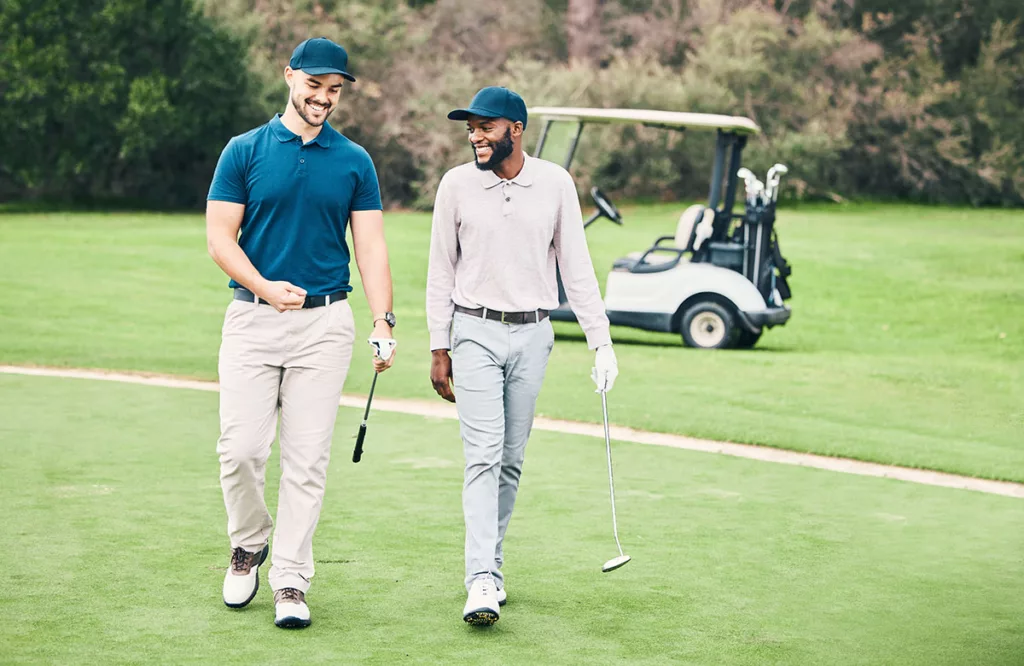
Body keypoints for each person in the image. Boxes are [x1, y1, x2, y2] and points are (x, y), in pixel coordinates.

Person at [206, 37, 397, 630]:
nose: (323, 98)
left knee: (307, 460)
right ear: (289, 76)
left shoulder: (354, 161)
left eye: (334, 89)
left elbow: (369, 246)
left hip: (325, 324)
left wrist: (382, 320)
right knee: (240, 452)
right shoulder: (244, 151)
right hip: (252, 319)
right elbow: (220, 239)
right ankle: (249, 544)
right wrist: (264, 286)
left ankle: (290, 576)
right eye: (315, 85)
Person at [425, 86, 618, 626]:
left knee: (510, 460)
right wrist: (439, 344)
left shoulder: (555, 183)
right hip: (474, 331)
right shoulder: (456, 185)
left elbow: (576, 269)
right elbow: (441, 269)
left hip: (534, 334)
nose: (475, 136)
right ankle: (480, 578)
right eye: (470, 128)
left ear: (516, 128)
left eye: (485, 126)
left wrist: (601, 342)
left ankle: (493, 564)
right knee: (483, 455)